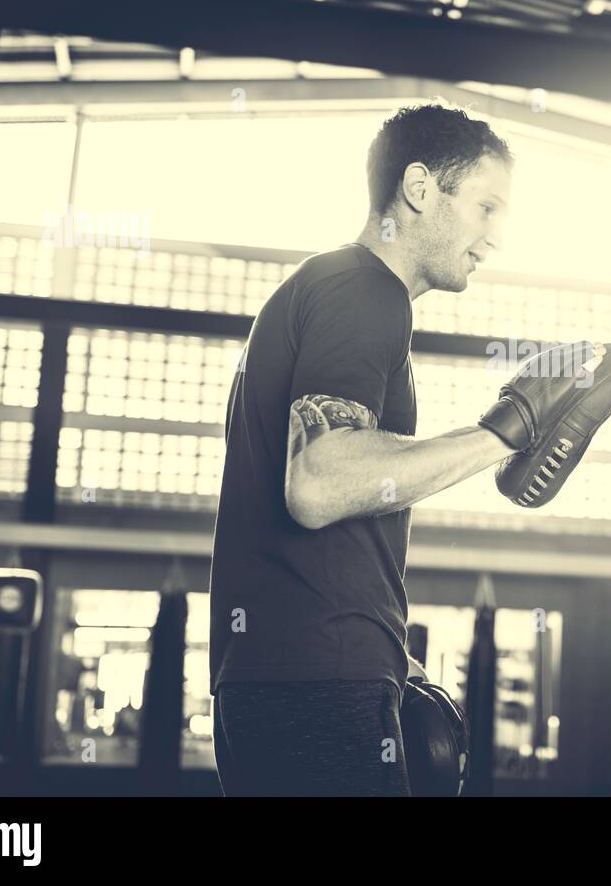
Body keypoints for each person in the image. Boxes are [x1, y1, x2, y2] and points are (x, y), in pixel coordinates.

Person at [208, 102, 519, 796]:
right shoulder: (362, 289)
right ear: (418, 189)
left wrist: (391, 657)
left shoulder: (328, 288)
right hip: (317, 680)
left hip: (288, 679)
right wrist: (503, 433)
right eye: (486, 206)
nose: (496, 236)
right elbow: (318, 481)